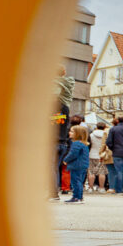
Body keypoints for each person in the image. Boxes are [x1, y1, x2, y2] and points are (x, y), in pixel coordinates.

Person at [51, 65, 74, 200]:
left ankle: (53, 193)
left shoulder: (54, 107)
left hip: (53, 141)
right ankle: (54, 192)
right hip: (62, 142)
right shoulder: (65, 108)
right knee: (55, 168)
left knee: (50, 167)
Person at [62, 125, 90, 204]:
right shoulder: (83, 143)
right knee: (79, 181)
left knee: (75, 182)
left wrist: (66, 160)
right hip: (83, 165)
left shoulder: (76, 143)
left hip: (76, 165)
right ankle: (79, 197)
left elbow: (73, 154)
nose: (69, 133)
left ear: (77, 134)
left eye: (71, 131)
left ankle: (76, 197)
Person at [87, 122, 108, 192]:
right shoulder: (106, 135)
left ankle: (90, 188)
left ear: (96, 127)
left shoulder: (91, 135)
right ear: (104, 127)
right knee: (102, 172)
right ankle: (101, 188)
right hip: (101, 155)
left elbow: (89, 144)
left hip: (92, 154)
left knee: (91, 172)